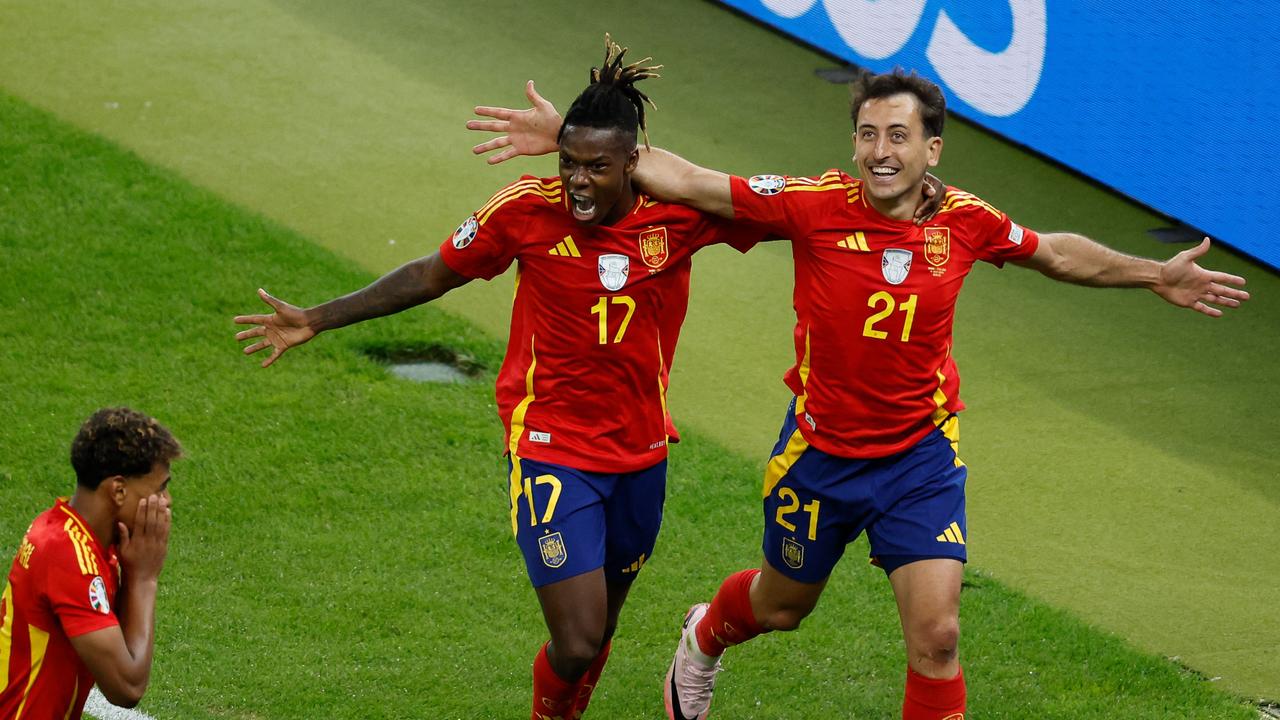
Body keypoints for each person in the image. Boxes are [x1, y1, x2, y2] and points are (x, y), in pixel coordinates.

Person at [468, 68, 1250, 720]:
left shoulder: (967, 222)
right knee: (780, 608)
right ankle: (706, 636)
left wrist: (1155, 274)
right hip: (821, 458)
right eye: (869, 135)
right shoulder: (812, 204)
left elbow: (1055, 254)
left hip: (920, 456)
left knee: (938, 635)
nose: (881, 152)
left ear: (931, 147)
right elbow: (689, 179)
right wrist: (574, 142)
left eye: (899, 137)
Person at [234, 37, 787, 720]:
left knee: (602, 630)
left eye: (596, 167)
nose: (577, 181)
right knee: (579, 637)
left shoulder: (677, 218)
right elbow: (430, 275)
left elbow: (785, 212)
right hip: (552, 448)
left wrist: (894, 204)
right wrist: (317, 318)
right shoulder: (525, 210)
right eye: (568, 163)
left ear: (634, 167)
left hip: (641, 452)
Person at [0, 407, 179, 719]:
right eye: (160, 488)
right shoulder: (67, 555)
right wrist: (143, 578)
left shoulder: (75, 534)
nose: (166, 502)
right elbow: (127, 687)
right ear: (118, 490)